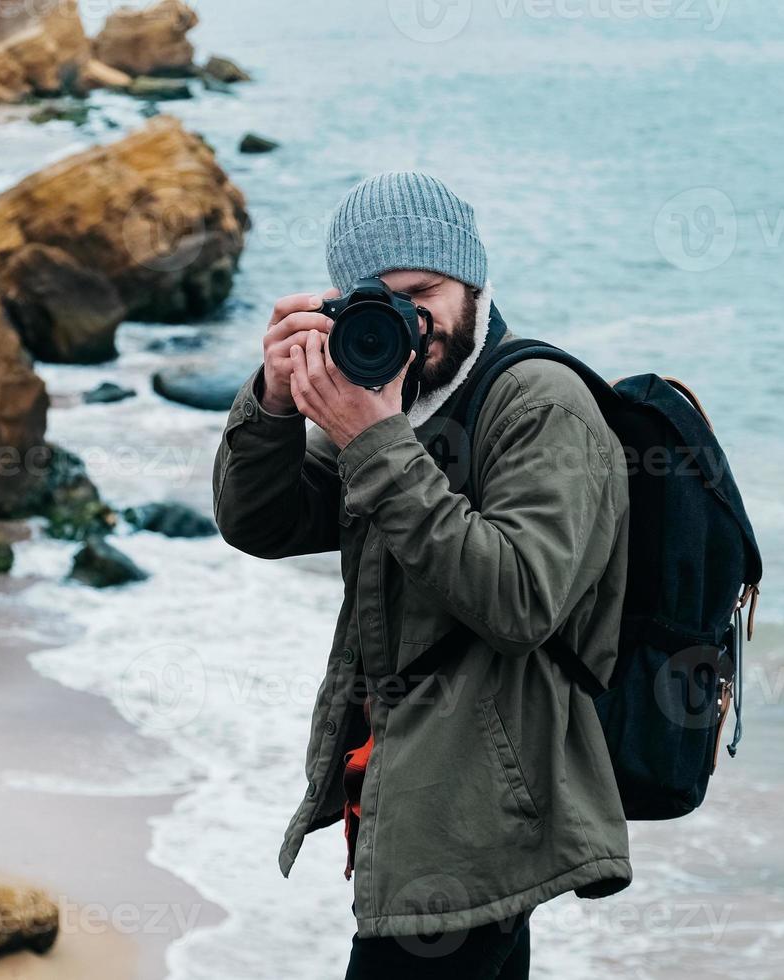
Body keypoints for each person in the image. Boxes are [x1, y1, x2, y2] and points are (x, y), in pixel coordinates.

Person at [211, 172, 632, 979]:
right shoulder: (394, 403)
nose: (414, 320)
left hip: (480, 820)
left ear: (473, 281)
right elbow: (258, 523)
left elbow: (521, 600)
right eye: (385, 299)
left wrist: (372, 440)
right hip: (414, 801)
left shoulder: (541, 406)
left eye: (426, 291)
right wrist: (271, 401)